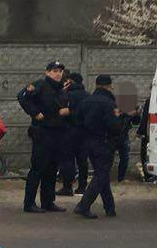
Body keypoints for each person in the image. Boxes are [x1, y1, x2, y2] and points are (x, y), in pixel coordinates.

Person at [18, 61, 70, 213]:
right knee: (38, 169)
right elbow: (22, 96)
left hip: (57, 133)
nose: (58, 74)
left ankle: (48, 201)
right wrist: (34, 112)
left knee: (52, 169)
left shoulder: (61, 90)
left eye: (60, 71)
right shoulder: (40, 85)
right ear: (47, 72)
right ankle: (29, 203)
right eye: (54, 71)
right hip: (43, 133)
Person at [75, 75, 121, 219]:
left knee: (102, 174)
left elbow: (77, 121)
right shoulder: (109, 103)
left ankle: (110, 208)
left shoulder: (86, 101)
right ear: (109, 86)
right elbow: (114, 126)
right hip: (104, 143)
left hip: (88, 142)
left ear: (96, 85)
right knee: (101, 175)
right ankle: (83, 205)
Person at [57, 72, 90, 197]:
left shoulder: (66, 95)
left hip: (68, 131)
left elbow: (60, 111)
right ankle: (82, 187)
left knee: (67, 160)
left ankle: (67, 187)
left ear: (70, 82)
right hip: (84, 132)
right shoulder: (88, 96)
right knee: (83, 161)